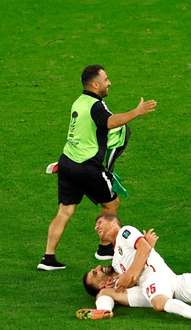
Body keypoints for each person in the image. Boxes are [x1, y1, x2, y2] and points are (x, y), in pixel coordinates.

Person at [37, 65, 157, 271]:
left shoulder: (79, 101)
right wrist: (136, 112)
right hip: (86, 167)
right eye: (106, 79)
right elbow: (109, 122)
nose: (109, 82)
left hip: (66, 163)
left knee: (64, 212)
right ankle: (104, 249)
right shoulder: (95, 105)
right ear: (95, 84)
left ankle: (48, 258)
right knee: (112, 203)